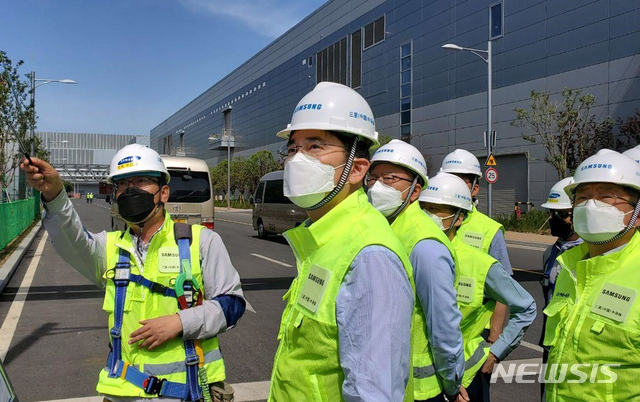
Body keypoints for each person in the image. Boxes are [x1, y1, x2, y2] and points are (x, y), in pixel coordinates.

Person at [20, 144, 245, 401]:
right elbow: (72, 239)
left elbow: (233, 305)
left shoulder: (202, 242)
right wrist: (55, 193)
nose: (131, 190)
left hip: (188, 392)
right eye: (124, 184)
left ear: (163, 193)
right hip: (122, 392)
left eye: (141, 181)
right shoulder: (110, 247)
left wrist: (180, 322)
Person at [267, 82, 415, 402]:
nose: (296, 160)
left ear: (357, 169)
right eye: (293, 149)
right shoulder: (323, 240)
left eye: (316, 146)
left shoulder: (369, 255)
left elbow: (373, 393)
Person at [419, 172, 536, 401]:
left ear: (459, 218)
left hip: (465, 375)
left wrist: (496, 349)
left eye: (438, 209)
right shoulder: (411, 251)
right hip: (420, 380)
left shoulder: (480, 264)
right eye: (424, 208)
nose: (429, 215)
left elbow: (526, 307)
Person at [367, 140, 466, 402]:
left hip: (418, 390)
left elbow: (444, 325)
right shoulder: (383, 228)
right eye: (373, 178)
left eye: (389, 179)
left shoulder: (424, 245)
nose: (378, 186)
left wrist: (452, 382)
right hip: (380, 380)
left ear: (414, 191)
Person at [543, 150, 640, 401]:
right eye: (582, 197)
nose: (591, 205)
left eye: (606, 196)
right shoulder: (571, 267)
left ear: (637, 213)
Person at [440, 149, 512, 345]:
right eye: (449, 178)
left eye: (462, 180)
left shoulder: (489, 229)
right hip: (437, 324)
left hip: (476, 331)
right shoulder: (431, 219)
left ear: (474, 189)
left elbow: (502, 289)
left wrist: (494, 338)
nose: (454, 185)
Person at [538, 178, 582, 371]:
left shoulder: (590, 254)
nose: (555, 219)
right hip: (552, 343)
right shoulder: (550, 253)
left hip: (578, 350)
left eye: (563, 214)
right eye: (552, 213)